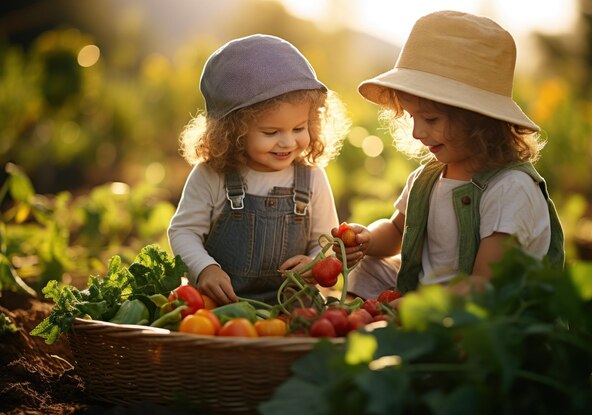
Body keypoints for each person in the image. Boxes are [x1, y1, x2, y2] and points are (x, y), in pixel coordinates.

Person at [334, 10, 565, 300]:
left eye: (430, 119)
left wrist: (419, 306)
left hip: (490, 313)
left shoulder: (510, 188)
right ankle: (360, 327)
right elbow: (396, 230)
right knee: (371, 268)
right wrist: (367, 238)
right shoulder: (427, 178)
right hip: (429, 295)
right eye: (411, 116)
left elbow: (486, 284)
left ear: (478, 120)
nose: (417, 132)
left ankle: (391, 327)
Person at [168, 34, 350, 305]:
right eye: (271, 132)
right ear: (233, 132)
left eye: (299, 128)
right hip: (221, 303)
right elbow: (183, 231)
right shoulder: (211, 176)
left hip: (293, 302)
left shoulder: (312, 178)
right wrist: (206, 268)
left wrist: (314, 263)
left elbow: (326, 245)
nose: (288, 141)